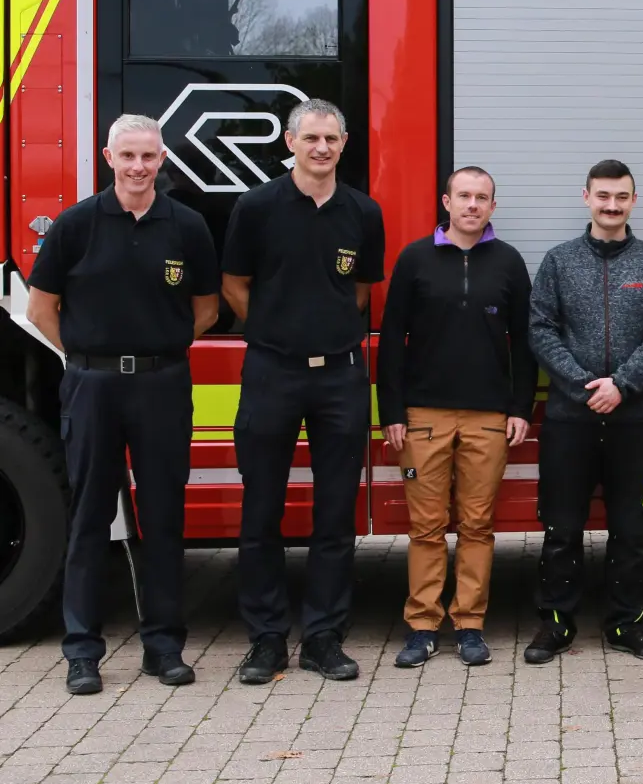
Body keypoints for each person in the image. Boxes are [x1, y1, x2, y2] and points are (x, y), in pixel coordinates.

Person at [27, 114, 219, 694]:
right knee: (89, 519)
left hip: (162, 386)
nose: (139, 167)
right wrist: (88, 358)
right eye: (128, 156)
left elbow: (206, 308)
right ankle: (82, 652)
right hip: (93, 388)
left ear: (163, 161)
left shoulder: (186, 227)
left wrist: (159, 352)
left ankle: (164, 648)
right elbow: (41, 310)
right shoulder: (75, 225)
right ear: (108, 159)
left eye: (150, 156)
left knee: (163, 518)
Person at [221, 98, 386, 683]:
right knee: (260, 509)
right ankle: (266, 640)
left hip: (340, 376)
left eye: (332, 139)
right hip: (272, 373)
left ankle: (323, 637)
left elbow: (361, 291)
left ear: (344, 145)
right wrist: (274, 332)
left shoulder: (364, 213)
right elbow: (234, 284)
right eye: (311, 137)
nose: (322, 148)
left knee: (335, 513)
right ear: (290, 141)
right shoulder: (257, 207)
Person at [377, 166, 534, 668]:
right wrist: (392, 412)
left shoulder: (508, 263)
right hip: (422, 417)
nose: (472, 204)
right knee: (425, 527)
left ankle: (470, 625)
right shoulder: (415, 258)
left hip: (488, 418)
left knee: (476, 525)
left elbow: (526, 345)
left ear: (493, 206)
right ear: (446, 201)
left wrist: (520, 408)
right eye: (463, 196)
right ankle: (422, 625)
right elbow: (392, 340)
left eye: (482, 197)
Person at [525, 160, 643, 664]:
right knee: (561, 527)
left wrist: (624, 385)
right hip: (570, 420)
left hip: (635, 422)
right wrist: (582, 385)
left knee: (631, 530)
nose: (612, 205)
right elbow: (541, 329)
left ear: (634, 201)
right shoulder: (558, 261)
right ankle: (555, 624)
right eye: (603, 196)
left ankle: (625, 624)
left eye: (621, 197)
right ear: (586, 197)